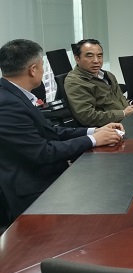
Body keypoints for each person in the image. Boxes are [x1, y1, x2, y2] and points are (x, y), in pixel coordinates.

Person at [0, 39, 124, 225]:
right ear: (33, 69)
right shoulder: (7, 104)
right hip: (33, 192)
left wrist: (93, 131)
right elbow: (43, 152)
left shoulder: (16, 95)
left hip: (47, 176)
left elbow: (51, 131)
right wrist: (93, 140)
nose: (43, 71)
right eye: (42, 65)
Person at [64, 39, 133, 126]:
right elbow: (88, 117)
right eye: (90, 56)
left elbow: (119, 98)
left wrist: (131, 104)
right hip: (109, 128)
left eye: (99, 56)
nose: (96, 61)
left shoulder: (108, 75)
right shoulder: (75, 82)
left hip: (127, 120)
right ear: (77, 59)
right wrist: (123, 113)